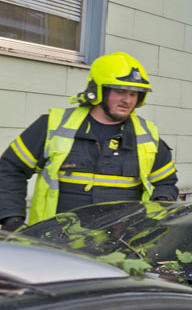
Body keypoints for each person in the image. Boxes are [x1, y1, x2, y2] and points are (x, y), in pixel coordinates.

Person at [0, 52, 178, 231]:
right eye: (120, 91)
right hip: (56, 239)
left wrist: (161, 203)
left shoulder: (147, 136)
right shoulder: (53, 126)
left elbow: (165, 183)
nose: (127, 100)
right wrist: (12, 219)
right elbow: (10, 169)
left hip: (122, 242)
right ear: (99, 91)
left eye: (133, 94)